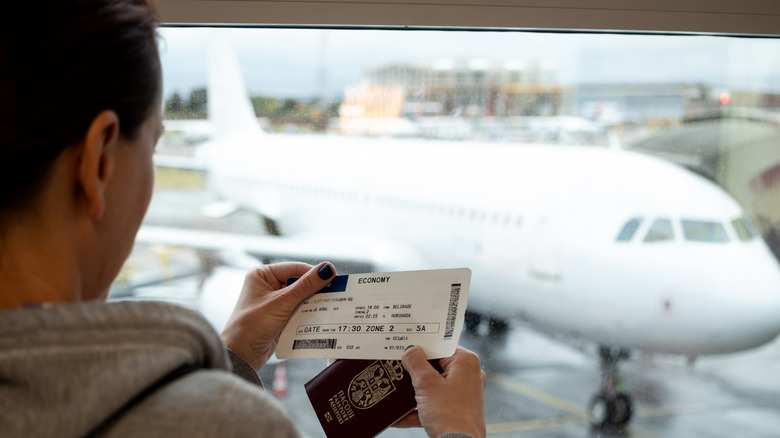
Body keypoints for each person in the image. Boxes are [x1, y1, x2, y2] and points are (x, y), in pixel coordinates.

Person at [0, 1, 487, 437]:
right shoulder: (229, 424)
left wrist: (229, 358)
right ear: (99, 161)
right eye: (151, 146)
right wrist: (460, 432)